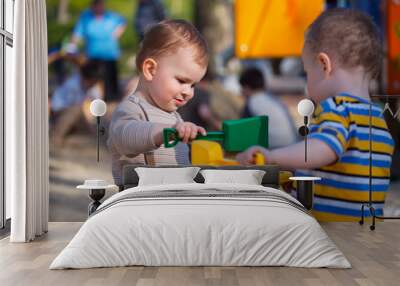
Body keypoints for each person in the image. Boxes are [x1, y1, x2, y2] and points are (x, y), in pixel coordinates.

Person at [236, 9, 395, 222]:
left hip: (333, 237)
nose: (307, 84)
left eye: (307, 73)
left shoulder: (339, 108)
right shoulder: (377, 117)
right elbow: (340, 175)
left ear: (323, 65)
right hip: (364, 237)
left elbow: (322, 149)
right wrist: (299, 181)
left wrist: (272, 157)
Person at [107, 20, 208, 185]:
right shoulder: (131, 108)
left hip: (171, 201)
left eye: (193, 85)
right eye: (182, 80)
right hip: (141, 203)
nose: (188, 92)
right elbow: (125, 137)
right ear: (150, 69)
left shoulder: (175, 118)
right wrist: (166, 132)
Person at [71, 0, 126, 103]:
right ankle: (97, 100)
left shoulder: (110, 16)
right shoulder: (86, 17)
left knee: (111, 79)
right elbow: (77, 33)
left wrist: (117, 33)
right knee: (95, 78)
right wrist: (72, 45)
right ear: (92, 6)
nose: (100, 7)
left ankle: (112, 101)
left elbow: (122, 21)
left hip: (109, 53)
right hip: (93, 54)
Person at [239, 67, 298, 148]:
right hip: (293, 144)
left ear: (246, 87)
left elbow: (242, 132)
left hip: (274, 148)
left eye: (242, 88)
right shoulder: (273, 99)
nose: (241, 92)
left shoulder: (251, 103)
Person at [50, 60, 104, 146]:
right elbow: (74, 106)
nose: (92, 85)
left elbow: (97, 100)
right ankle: (56, 136)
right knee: (76, 110)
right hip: (59, 110)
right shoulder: (73, 84)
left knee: (90, 128)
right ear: (85, 78)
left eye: (95, 83)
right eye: (92, 82)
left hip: (73, 112)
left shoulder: (91, 87)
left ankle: (72, 135)